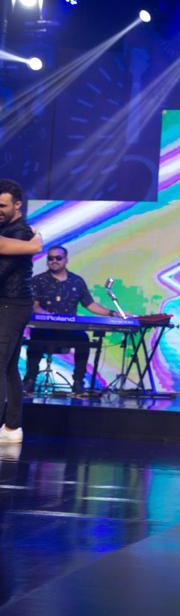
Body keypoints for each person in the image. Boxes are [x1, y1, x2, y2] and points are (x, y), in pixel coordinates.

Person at [25, 245, 119, 395]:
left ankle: (78, 382)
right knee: (35, 339)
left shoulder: (77, 281)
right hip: (45, 329)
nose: (54, 261)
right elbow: (34, 306)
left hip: (69, 330)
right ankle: (29, 381)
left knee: (83, 340)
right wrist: (52, 318)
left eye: (58, 258)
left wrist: (112, 313)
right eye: (50, 258)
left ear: (66, 260)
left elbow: (90, 304)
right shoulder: (38, 280)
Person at [0, 179, 43, 444]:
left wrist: (36, 241)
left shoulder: (18, 232)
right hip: (11, 303)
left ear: (17, 205)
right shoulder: (10, 230)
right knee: (8, 367)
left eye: (2, 205)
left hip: (10, 304)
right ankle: (12, 427)